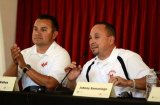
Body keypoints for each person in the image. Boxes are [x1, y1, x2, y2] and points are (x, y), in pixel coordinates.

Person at [65, 22, 151, 98]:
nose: (92, 42)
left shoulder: (128, 57)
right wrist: (72, 81)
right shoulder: (88, 65)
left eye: (97, 37)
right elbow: (79, 91)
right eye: (90, 38)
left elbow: (154, 83)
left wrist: (128, 83)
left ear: (111, 40)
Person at [3, 14, 71, 92]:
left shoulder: (61, 54)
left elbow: (51, 84)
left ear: (54, 34)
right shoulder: (25, 53)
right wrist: (15, 62)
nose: (37, 33)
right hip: (26, 99)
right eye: (35, 29)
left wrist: (25, 67)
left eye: (43, 30)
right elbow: (5, 83)